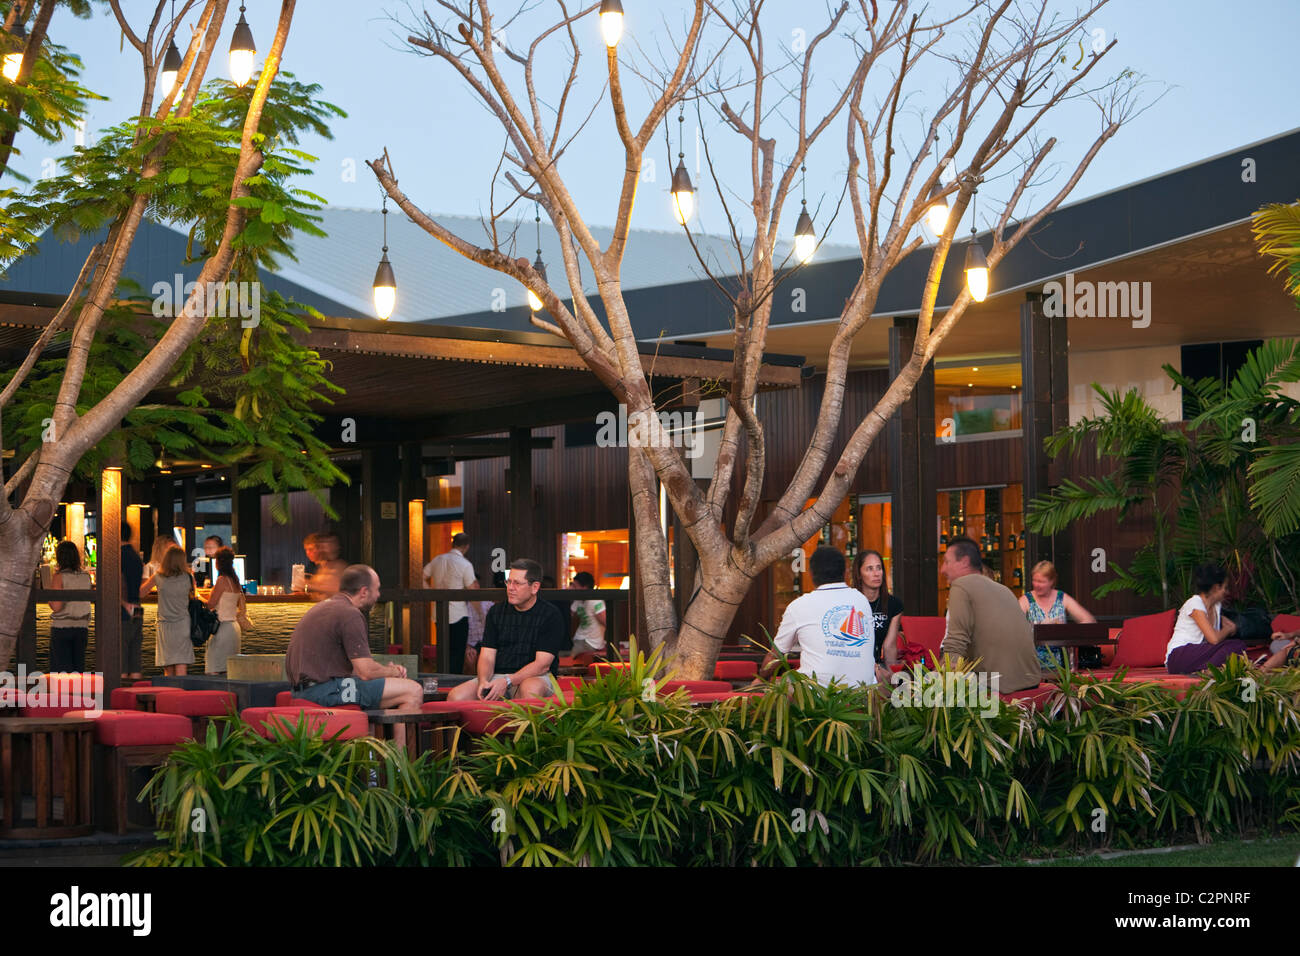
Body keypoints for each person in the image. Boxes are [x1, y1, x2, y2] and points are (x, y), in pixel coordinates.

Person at [285, 564, 423, 711]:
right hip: (324, 691)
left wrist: (384, 672)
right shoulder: (350, 614)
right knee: (413, 691)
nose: (378, 595)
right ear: (364, 592)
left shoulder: (323, 607)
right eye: (376, 589)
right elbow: (366, 672)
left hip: (304, 691)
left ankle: (372, 733)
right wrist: (395, 672)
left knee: (389, 694)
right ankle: (398, 736)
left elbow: (357, 670)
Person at [447, 558, 565, 701]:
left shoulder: (550, 614)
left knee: (530, 689)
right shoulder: (496, 612)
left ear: (534, 587)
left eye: (517, 583)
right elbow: (487, 656)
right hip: (499, 676)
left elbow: (542, 665)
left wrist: (508, 681)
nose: (510, 588)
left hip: (535, 676)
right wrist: (484, 680)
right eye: (509, 582)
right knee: (456, 696)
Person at [759, 546, 876, 687]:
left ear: (811, 574)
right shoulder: (861, 600)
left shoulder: (799, 606)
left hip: (817, 698)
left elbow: (775, 656)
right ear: (846, 572)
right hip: (863, 695)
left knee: (782, 684)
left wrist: (760, 677)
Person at [939, 536, 1041, 693]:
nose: (942, 569)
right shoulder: (1004, 589)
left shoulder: (961, 585)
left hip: (998, 687)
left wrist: (937, 682)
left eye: (947, 562)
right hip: (1031, 682)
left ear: (965, 561)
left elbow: (955, 643)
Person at [1166, 563, 1296, 674]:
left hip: (1200, 657)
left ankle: (1210, 671)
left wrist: (1230, 628)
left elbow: (1215, 642)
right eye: (1225, 588)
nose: (1226, 592)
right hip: (1178, 656)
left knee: (1238, 649)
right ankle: (1213, 670)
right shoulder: (1195, 603)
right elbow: (1214, 639)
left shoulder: (1216, 608)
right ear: (1216, 587)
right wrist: (1228, 630)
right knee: (1235, 646)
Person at [1018, 560, 1097, 669]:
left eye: (1041, 581)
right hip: (1032, 664)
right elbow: (1013, 626)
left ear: (1052, 581)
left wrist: (1066, 631)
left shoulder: (1062, 598)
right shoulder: (1026, 600)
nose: (1037, 585)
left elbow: (1089, 621)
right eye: (1035, 580)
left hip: (1061, 664)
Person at [423, 533, 476, 672]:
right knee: (457, 653)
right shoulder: (465, 564)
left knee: (442, 650)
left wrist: (430, 593)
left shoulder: (437, 560)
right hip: (458, 613)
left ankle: (441, 679)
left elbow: (421, 577)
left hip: (438, 613)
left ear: (452, 544)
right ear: (466, 547)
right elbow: (472, 589)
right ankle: (453, 682)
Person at [141, 543, 195, 677]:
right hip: (183, 624)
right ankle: (181, 695)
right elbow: (194, 596)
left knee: (168, 665)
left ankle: (168, 695)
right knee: (181, 662)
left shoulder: (158, 577)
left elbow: (140, 593)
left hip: (165, 625)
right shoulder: (189, 577)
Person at [851, 550, 902, 684]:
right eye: (869, 569)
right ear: (859, 574)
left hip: (879, 667)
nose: (876, 573)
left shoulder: (894, 604)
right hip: (853, 664)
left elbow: (889, 646)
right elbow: (851, 645)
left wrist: (892, 676)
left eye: (879, 568)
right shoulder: (850, 603)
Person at [48, 540, 92, 672]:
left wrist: (48, 598)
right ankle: (78, 692)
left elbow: (57, 607)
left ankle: (63, 693)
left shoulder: (59, 577)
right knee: (78, 671)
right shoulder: (86, 576)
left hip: (62, 628)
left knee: (61, 674)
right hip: (82, 628)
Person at [204, 547, 249, 675]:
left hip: (222, 628)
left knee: (214, 669)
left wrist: (198, 598)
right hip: (233, 629)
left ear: (218, 562)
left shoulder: (222, 580)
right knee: (229, 671)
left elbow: (211, 604)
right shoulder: (235, 580)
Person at [120, 523, 145, 680]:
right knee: (135, 656)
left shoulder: (118, 557)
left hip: (123, 609)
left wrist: (122, 603)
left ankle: (118, 698)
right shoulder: (136, 557)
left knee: (120, 657)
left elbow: (113, 585)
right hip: (137, 607)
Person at [464, 572, 496, 675]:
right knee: (468, 660)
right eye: (473, 583)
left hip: (486, 643)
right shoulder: (461, 606)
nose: (476, 586)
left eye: (477, 583)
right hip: (470, 644)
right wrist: (466, 647)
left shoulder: (487, 603)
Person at [568, 571, 607, 657]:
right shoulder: (578, 600)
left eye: (574, 586)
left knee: (569, 659)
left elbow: (606, 622)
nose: (571, 588)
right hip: (579, 638)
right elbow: (569, 615)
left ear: (584, 587)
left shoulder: (595, 601)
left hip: (590, 642)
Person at [306, 532, 345, 600]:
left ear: (337, 546)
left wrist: (308, 585)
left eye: (330, 544)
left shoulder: (340, 566)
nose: (325, 548)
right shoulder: (323, 567)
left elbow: (337, 590)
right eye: (322, 545)